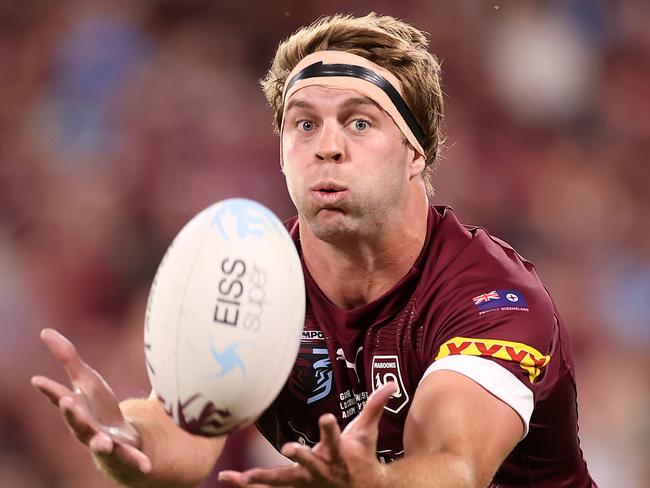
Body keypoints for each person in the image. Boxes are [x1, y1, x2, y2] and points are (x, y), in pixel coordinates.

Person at [31, 13, 597, 488]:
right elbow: (184, 432)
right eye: (304, 124)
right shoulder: (255, 275)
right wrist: (122, 440)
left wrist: (372, 481)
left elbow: (455, 462)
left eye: (358, 122)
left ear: (415, 152)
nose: (327, 147)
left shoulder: (493, 297)